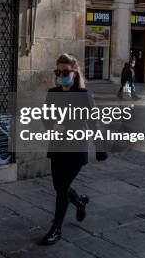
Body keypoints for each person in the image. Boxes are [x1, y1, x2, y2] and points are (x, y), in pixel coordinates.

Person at [42, 53, 108, 245]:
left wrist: (100, 147)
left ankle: (56, 228)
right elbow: (45, 117)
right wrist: (52, 125)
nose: (61, 74)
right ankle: (79, 201)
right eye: (58, 71)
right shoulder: (52, 93)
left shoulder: (83, 95)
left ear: (74, 72)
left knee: (61, 189)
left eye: (65, 71)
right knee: (58, 186)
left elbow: (93, 123)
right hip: (56, 147)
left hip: (76, 149)